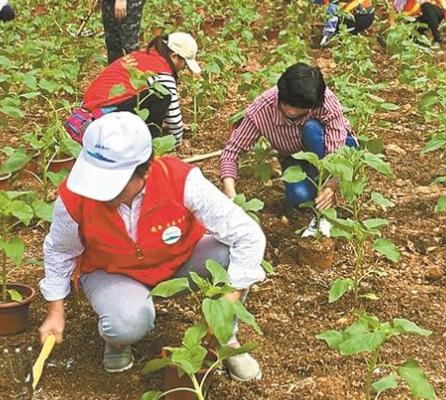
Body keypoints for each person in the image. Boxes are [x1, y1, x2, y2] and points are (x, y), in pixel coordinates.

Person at [38, 112, 266, 381]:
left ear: (145, 170)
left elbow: (248, 235)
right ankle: (118, 340)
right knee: (127, 323)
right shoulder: (75, 197)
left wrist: (225, 311)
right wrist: (55, 310)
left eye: (112, 185)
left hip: (179, 260)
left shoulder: (180, 180)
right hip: (112, 271)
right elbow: (60, 250)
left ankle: (225, 341)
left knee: (229, 254)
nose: (99, 192)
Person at [220, 62, 357, 211]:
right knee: (299, 197)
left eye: (300, 109)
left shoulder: (325, 101)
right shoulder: (262, 109)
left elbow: (336, 154)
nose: (291, 112)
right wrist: (232, 197)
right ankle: (316, 188)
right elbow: (231, 152)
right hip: (296, 157)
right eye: (286, 105)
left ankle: (329, 188)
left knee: (311, 129)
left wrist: (332, 184)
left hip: (335, 149)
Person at [70, 32, 200, 145]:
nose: (183, 68)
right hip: (101, 119)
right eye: (184, 63)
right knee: (162, 97)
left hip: (90, 110)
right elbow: (174, 119)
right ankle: (145, 146)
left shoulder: (143, 56)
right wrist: (176, 142)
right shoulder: (163, 71)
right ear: (174, 56)